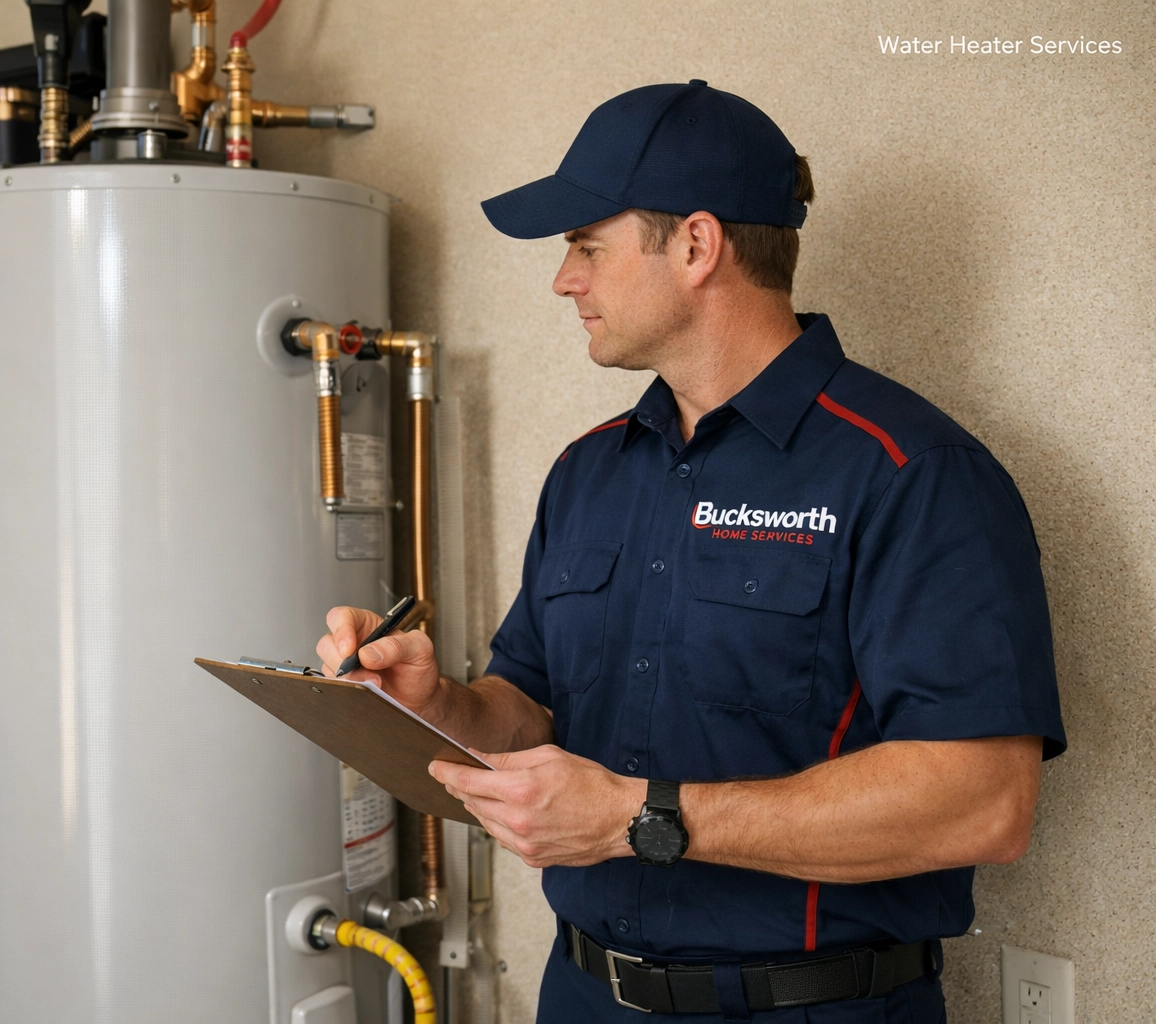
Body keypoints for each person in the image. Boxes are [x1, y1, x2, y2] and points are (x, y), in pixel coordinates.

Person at [316, 81, 1065, 1022]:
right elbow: (529, 716)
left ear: (698, 246)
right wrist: (438, 703)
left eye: (587, 246)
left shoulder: (913, 472)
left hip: (809, 1007)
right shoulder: (588, 473)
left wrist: (642, 819)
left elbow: (984, 802)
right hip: (583, 993)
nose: (564, 280)